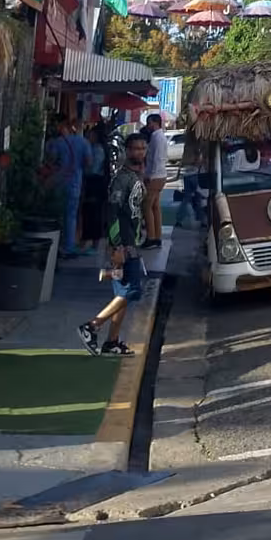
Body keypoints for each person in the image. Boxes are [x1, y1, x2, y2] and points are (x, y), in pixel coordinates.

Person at [79, 134, 147, 357]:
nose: (139, 152)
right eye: (135, 148)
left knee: (122, 295)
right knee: (132, 290)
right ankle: (92, 325)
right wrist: (118, 246)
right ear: (127, 151)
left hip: (133, 241)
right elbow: (113, 212)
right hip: (125, 244)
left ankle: (112, 341)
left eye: (142, 148)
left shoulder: (137, 177)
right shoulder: (122, 179)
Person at [46, 117, 92, 258]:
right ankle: (68, 246)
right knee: (71, 215)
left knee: (55, 213)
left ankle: (53, 243)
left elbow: (51, 159)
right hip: (75, 182)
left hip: (58, 182)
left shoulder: (58, 142)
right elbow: (89, 163)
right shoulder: (84, 143)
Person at [142, 112, 169, 249]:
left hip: (156, 176)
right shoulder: (160, 137)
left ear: (155, 123)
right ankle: (157, 236)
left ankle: (151, 237)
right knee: (155, 206)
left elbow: (156, 160)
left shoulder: (156, 137)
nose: (148, 125)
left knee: (147, 206)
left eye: (149, 122)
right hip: (160, 175)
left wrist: (149, 176)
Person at [81, 121, 109, 247]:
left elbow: (92, 168)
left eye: (90, 135)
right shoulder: (98, 148)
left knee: (92, 213)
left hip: (95, 183)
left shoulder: (97, 149)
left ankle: (91, 240)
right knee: (92, 212)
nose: (88, 137)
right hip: (96, 183)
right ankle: (91, 240)